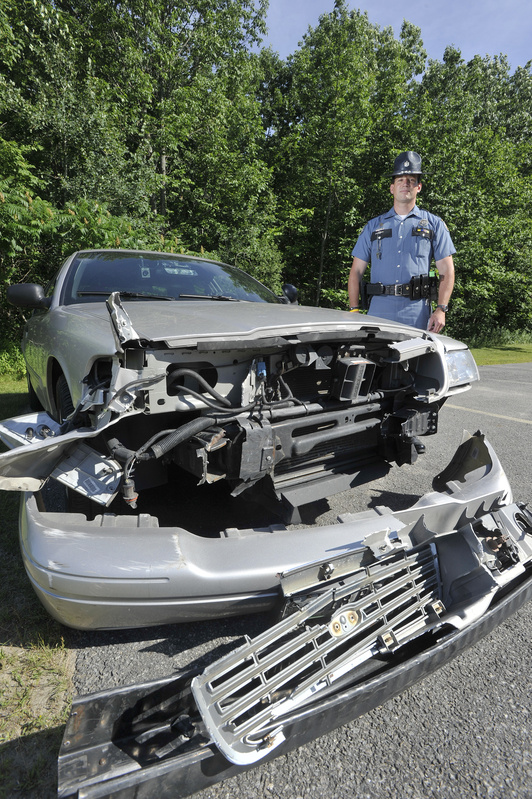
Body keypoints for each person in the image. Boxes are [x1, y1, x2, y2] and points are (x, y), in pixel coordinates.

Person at [348, 151, 455, 333]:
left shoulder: (434, 224)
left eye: (411, 180)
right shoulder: (373, 226)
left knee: (417, 361)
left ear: (418, 187)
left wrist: (441, 309)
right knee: (376, 361)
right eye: (400, 180)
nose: (405, 184)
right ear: (392, 188)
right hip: (378, 312)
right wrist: (354, 310)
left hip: (417, 314)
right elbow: (356, 272)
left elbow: (446, 270)